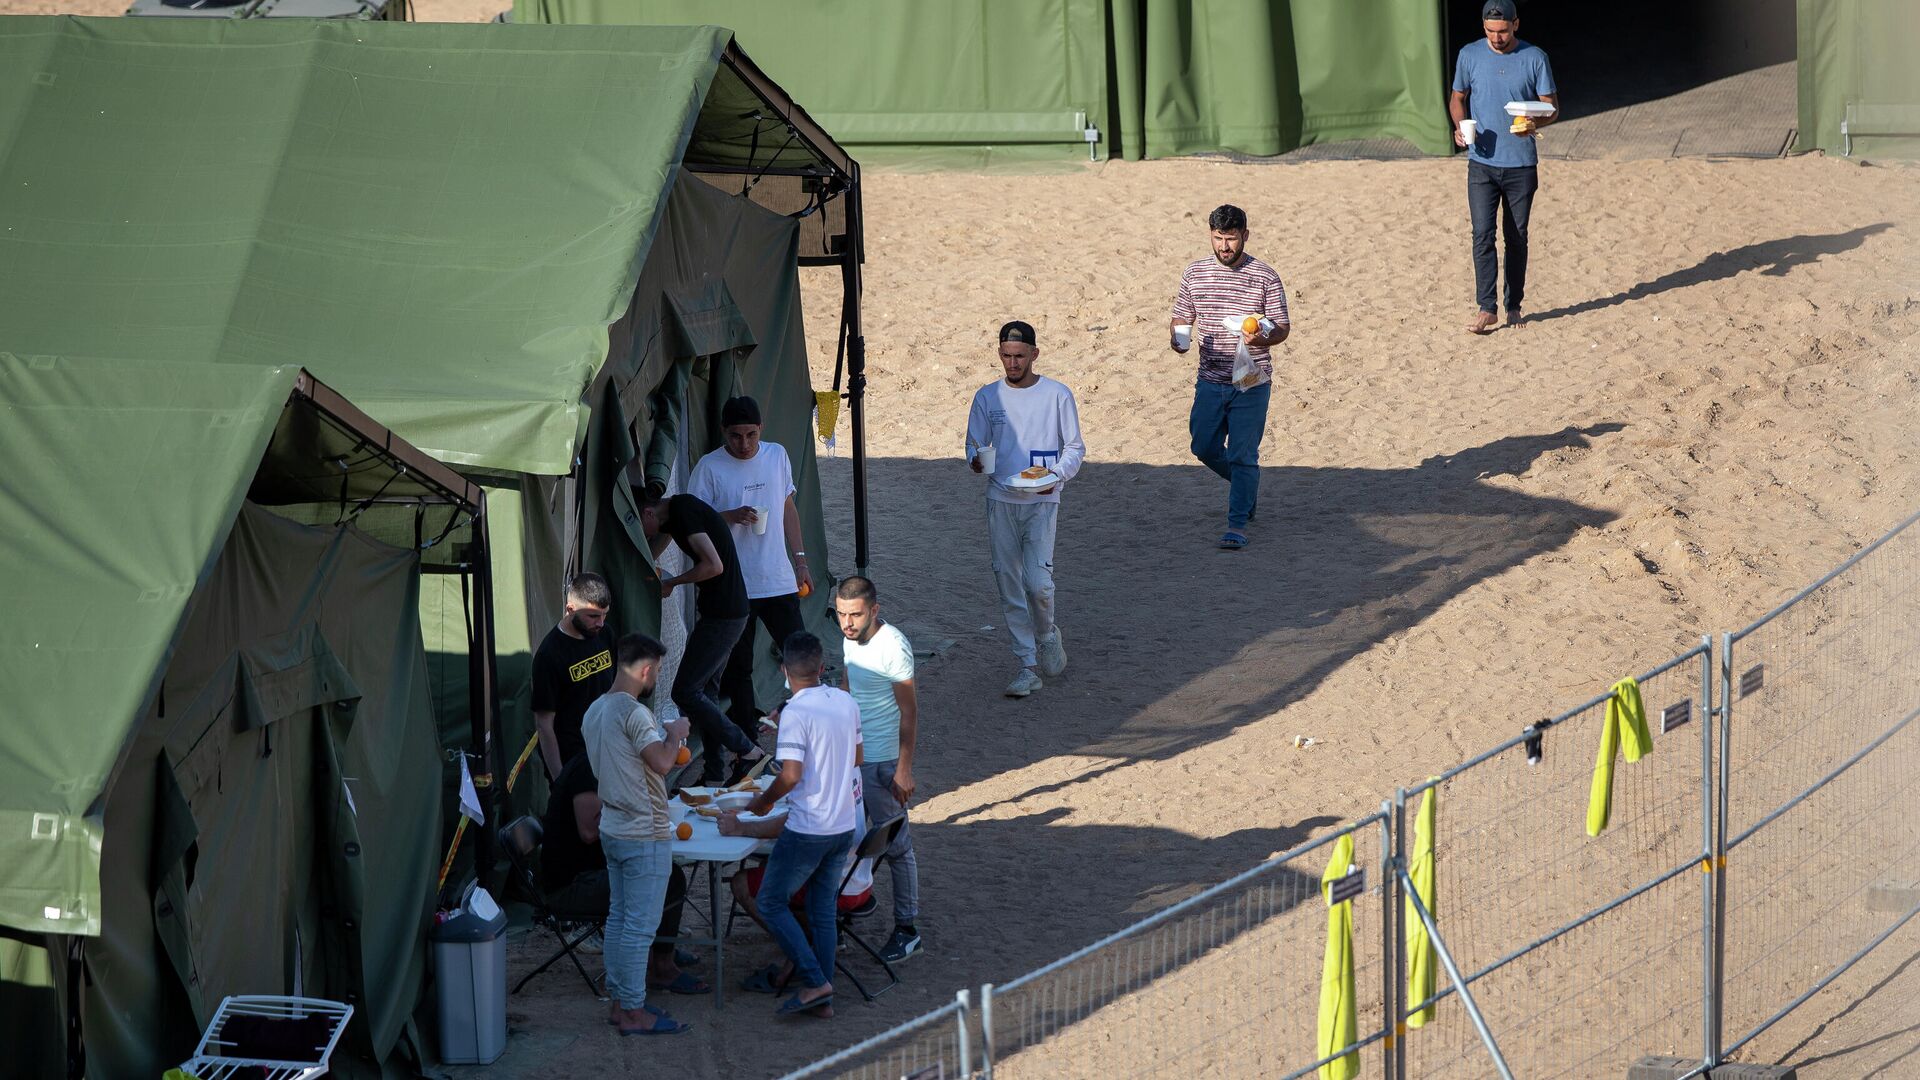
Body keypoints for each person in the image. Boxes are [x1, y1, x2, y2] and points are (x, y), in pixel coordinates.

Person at [741, 631, 863, 1016]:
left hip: (809, 826)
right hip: (842, 824)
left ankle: (815, 980)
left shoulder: (794, 712)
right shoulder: (845, 701)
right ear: (822, 667)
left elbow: (790, 775)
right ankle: (822, 998)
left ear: (784, 670)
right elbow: (857, 756)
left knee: (771, 902)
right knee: (822, 909)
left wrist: (763, 801)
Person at [965, 320, 1086, 698]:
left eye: (1019, 356)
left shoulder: (1057, 395)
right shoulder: (987, 397)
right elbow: (974, 445)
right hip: (1001, 499)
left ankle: (1047, 633)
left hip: (1042, 499)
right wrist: (976, 461)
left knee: (1038, 583)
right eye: (1005, 356)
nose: (1012, 363)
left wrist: (1057, 476)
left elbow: (1075, 447)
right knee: (1008, 582)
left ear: (1034, 354)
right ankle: (1026, 665)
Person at [580, 633, 693, 1036]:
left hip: (614, 828)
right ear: (646, 670)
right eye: (657, 671)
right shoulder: (634, 714)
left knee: (620, 920)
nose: (655, 679)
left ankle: (619, 1001)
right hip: (644, 834)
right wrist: (676, 733)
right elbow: (663, 763)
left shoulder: (594, 711)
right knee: (640, 928)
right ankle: (631, 1010)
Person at [687, 395, 813, 748]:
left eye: (751, 435)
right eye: (736, 436)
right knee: (738, 668)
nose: (744, 444)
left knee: (799, 653)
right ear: (724, 433)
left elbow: (787, 507)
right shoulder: (709, 468)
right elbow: (692, 522)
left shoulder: (777, 456)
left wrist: (801, 561)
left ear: (761, 430)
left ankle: (808, 726)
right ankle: (748, 743)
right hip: (733, 585)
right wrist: (727, 517)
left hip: (778, 579)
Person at [1168, 204, 1291, 551]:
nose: (1224, 246)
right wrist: (1179, 339)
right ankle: (1245, 484)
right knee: (1202, 445)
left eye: (1231, 239)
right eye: (1219, 238)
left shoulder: (1265, 276)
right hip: (1210, 378)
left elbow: (1281, 328)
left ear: (1245, 237)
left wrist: (1261, 337)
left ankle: (1237, 523)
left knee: (1242, 453)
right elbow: (1182, 315)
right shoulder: (1195, 274)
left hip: (1251, 381)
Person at [538, 754, 707, 995]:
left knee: (665, 872)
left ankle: (661, 951)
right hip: (573, 885)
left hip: (593, 871)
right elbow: (589, 831)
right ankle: (661, 966)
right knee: (667, 878)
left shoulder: (605, 762)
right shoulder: (589, 768)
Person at [638, 488, 771, 785]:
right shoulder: (678, 513)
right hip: (727, 612)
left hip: (723, 616)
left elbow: (714, 565)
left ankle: (748, 750)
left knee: (685, 691)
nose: (641, 534)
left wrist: (673, 582)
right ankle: (713, 775)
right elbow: (676, 537)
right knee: (707, 693)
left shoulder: (682, 513)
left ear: (648, 513)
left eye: (639, 526)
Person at [1450, 0, 1558, 333]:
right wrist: (1459, 126)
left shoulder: (1535, 58)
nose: (1496, 38)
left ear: (1516, 24)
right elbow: (1458, 97)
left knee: (1516, 236)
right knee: (1482, 235)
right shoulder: (1469, 55)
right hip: (1480, 163)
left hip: (1520, 165)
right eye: (1490, 31)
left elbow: (1551, 107)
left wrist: (1535, 122)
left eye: (1502, 31)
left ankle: (1513, 306)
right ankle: (1487, 308)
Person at [832, 576, 923, 962]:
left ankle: (908, 929)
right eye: (840, 614)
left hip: (883, 763)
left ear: (874, 610)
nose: (847, 623)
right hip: (854, 761)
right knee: (848, 839)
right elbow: (849, 687)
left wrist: (903, 769)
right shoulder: (849, 640)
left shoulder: (894, 647)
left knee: (898, 847)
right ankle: (852, 906)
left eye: (855, 614)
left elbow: (909, 711)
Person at [719, 795, 877, 1007]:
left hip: (839, 885)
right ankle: (818, 979)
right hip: (858, 879)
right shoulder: (850, 764)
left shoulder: (822, 769)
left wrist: (743, 825)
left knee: (753, 889)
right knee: (779, 870)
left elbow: (794, 818)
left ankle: (801, 956)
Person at [531, 573, 614, 779]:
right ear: (570, 609)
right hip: (574, 760)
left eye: (605, 614)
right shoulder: (549, 655)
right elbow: (544, 725)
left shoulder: (604, 633)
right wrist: (561, 779)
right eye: (594, 616)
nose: (601, 623)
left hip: (607, 751)